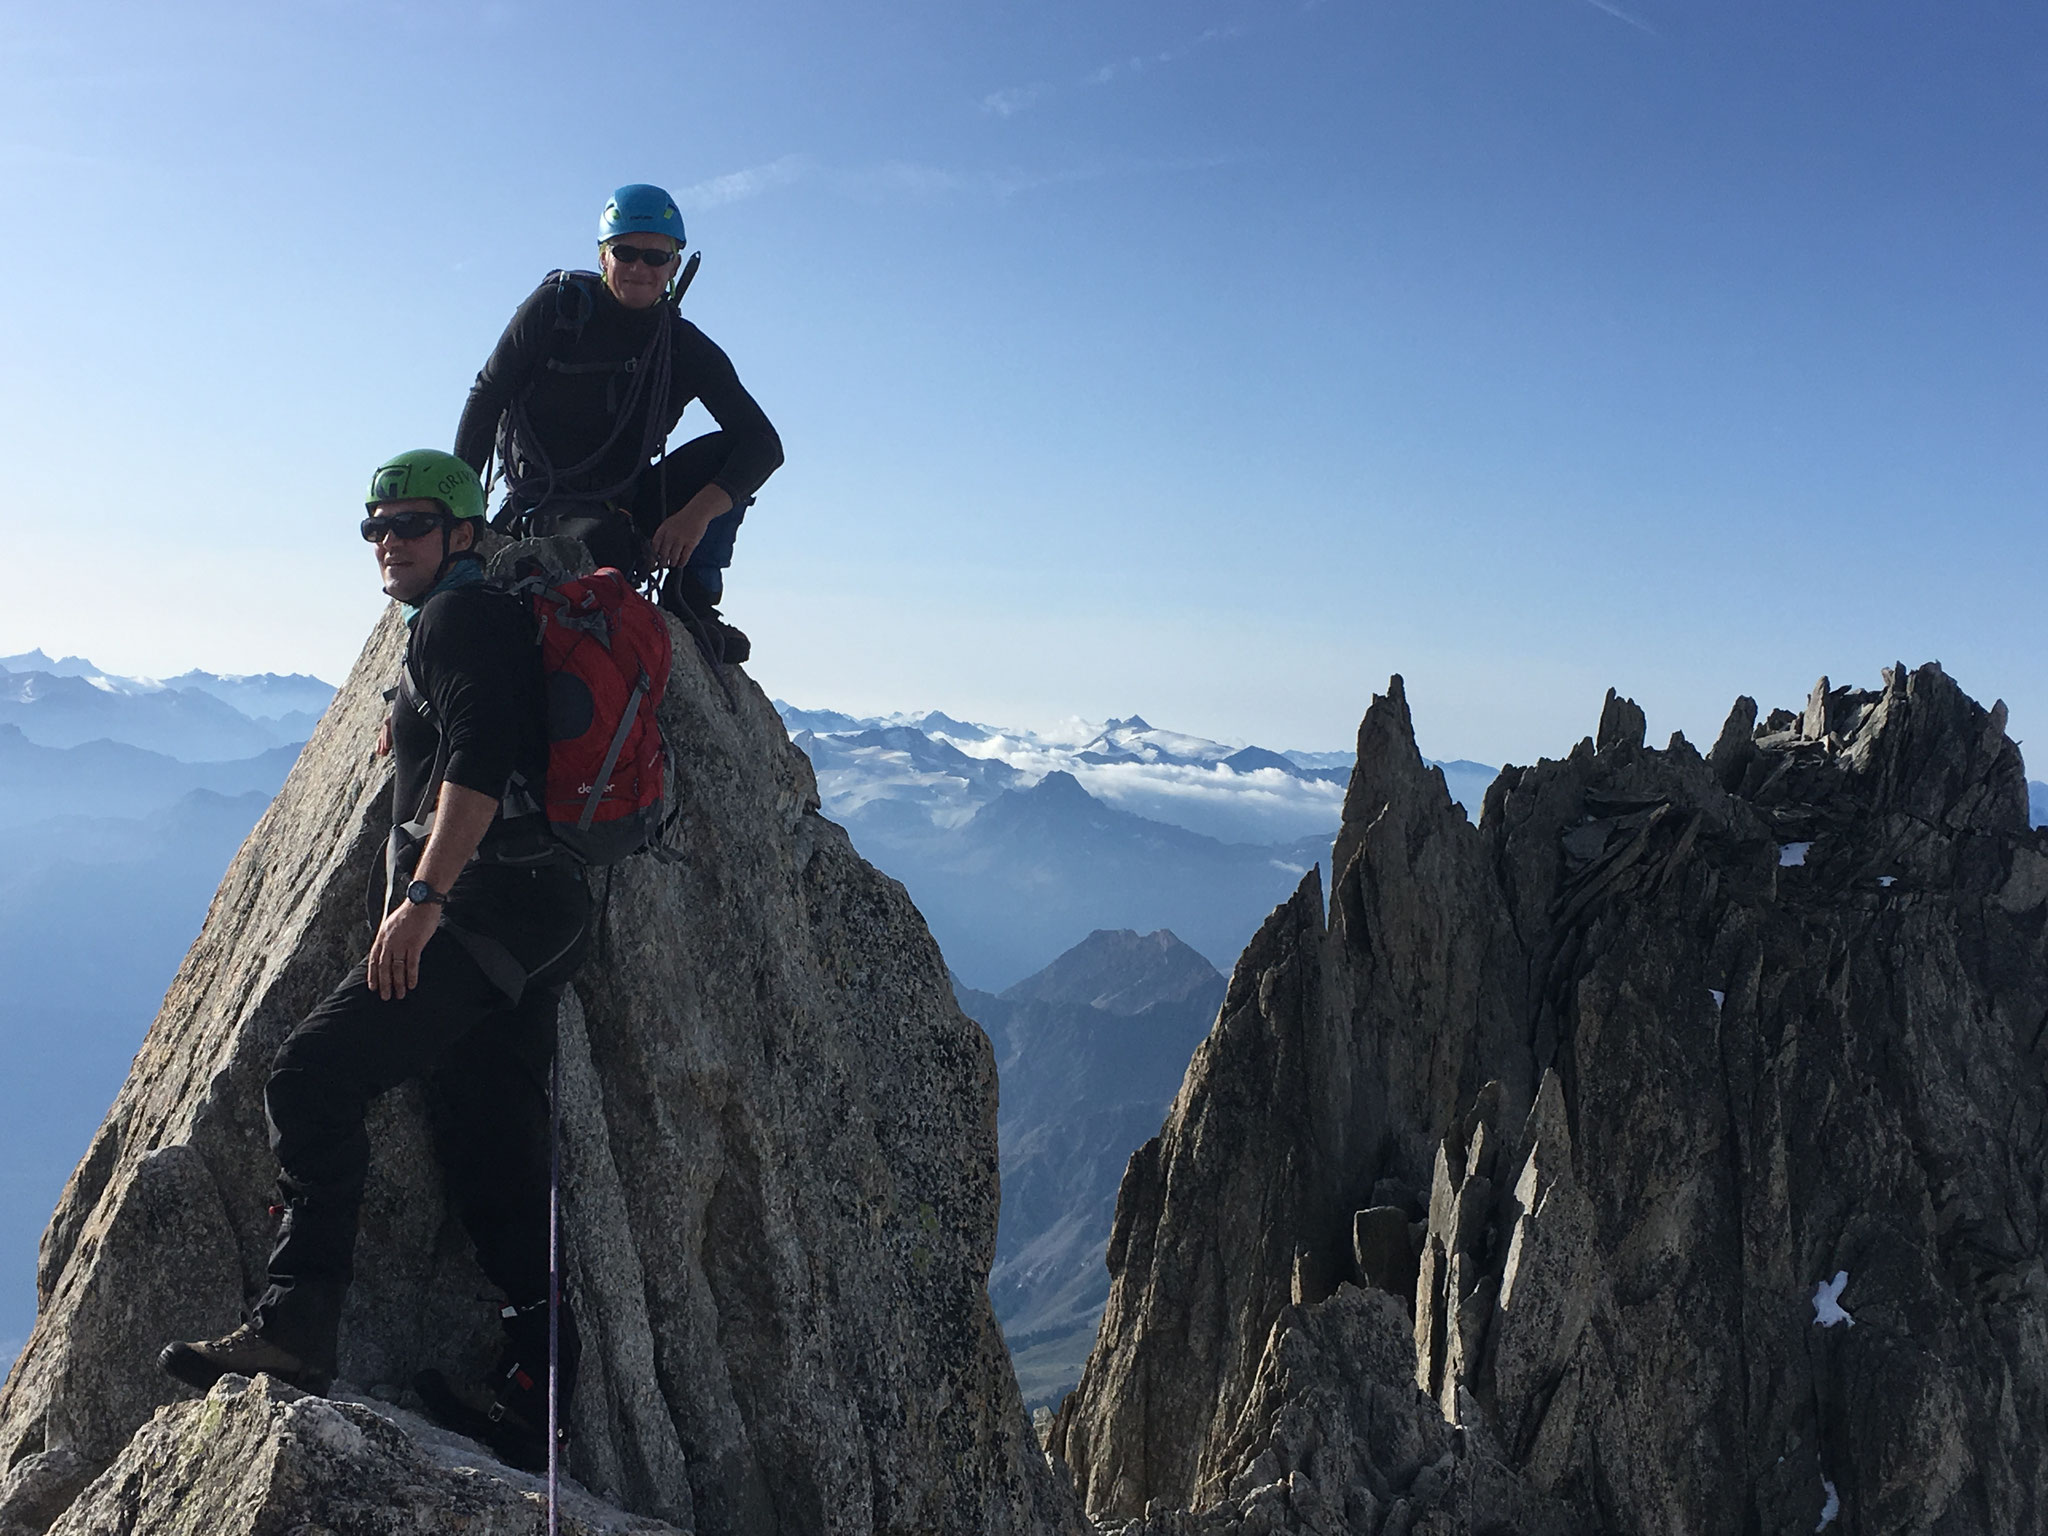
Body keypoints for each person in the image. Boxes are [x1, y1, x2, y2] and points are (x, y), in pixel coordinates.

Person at [161, 449, 590, 1470]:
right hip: (544, 912)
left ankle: (295, 1323)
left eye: (408, 524)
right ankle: (540, 1389)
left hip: (480, 910)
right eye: (374, 528)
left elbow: (480, 766)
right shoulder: (469, 621)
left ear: (462, 535)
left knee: (313, 1074)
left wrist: (420, 903)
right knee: (485, 1132)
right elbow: (473, 739)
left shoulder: (456, 618)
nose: (387, 543)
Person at [454, 182, 784, 663]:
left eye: (656, 257)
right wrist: (463, 514)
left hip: (625, 500)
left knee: (725, 456)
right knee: (603, 552)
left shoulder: (681, 346)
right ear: (603, 256)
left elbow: (763, 443)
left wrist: (695, 516)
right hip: (541, 500)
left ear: (675, 263)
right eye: (625, 252)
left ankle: (692, 602)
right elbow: (487, 398)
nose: (640, 268)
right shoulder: (556, 311)